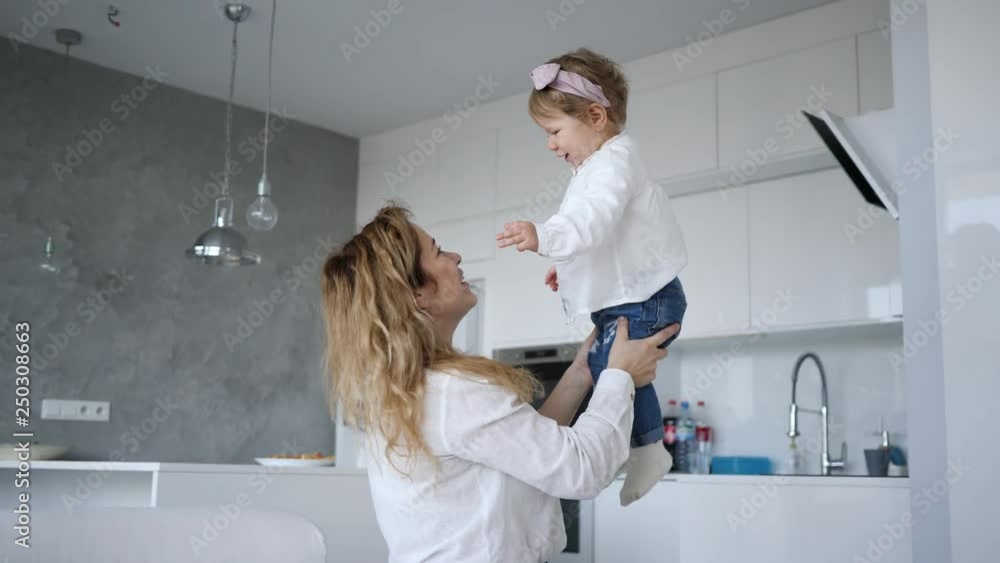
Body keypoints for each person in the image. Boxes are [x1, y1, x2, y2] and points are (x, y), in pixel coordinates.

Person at [322, 204, 679, 563]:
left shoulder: (411, 388)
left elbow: (524, 450)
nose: (456, 256)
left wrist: (581, 373)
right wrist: (619, 377)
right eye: (438, 251)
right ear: (417, 295)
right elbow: (583, 469)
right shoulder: (453, 390)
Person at [495, 48, 689, 505]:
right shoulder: (596, 167)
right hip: (633, 296)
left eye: (555, 131)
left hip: (646, 298)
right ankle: (644, 450)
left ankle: (647, 451)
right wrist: (566, 265)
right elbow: (602, 237)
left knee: (613, 373)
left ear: (597, 115)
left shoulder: (614, 163)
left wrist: (543, 235)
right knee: (610, 372)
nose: (551, 145)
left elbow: (592, 221)